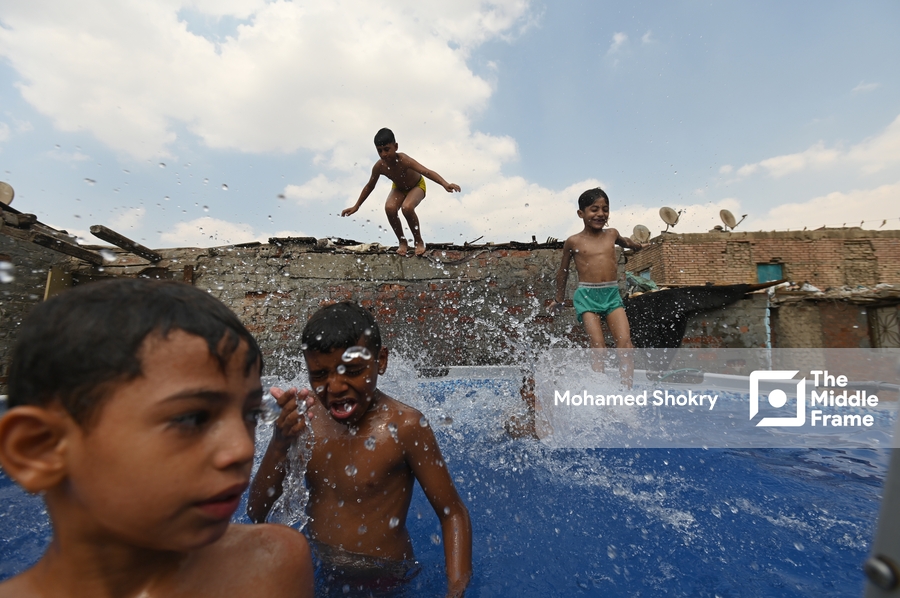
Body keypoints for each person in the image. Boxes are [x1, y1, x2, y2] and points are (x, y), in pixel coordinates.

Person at [0, 279, 314, 598]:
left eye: (250, 414)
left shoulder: (272, 566)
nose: (243, 448)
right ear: (39, 449)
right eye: (190, 418)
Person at [248, 302, 472, 597]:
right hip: (320, 568)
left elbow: (452, 513)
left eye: (352, 371)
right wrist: (280, 442)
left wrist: (456, 588)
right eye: (320, 375)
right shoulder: (305, 423)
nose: (336, 387)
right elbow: (257, 513)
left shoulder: (404, 427)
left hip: (386, 577)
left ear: (381, 361)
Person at [549, 187, 648, 383]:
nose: (601, 214)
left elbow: (625, 241)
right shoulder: (573, 241)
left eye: (605, 209)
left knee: (626, 345)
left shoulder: (611, 234)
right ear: (581, 213)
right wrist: (559, 299)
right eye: (594, 209)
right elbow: (563, 271)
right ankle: (598, 392)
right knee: (599, 347)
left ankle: (626, 391)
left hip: (611, 296)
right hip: (587, 297)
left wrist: (638, 246)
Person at [342, 128, 461, 257]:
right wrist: (356, 206)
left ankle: (418, 241)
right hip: (398, 188)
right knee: (390, 208)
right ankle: (402, 241)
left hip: (417, 186)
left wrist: (445, 184)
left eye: (387, 149)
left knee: (407, 207)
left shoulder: (404, 160)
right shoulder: (379, 167)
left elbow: (426, 172)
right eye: (379, 151)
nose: (383, 154)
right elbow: (370, 186)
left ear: (396, 146)